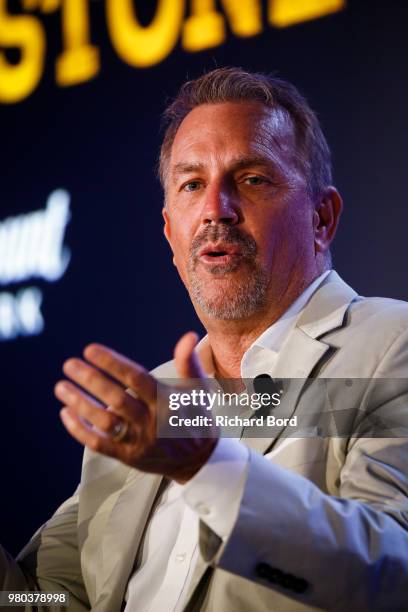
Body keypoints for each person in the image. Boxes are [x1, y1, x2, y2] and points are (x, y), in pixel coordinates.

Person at [1, 67, 408, 612]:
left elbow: (392, 570)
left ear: (321, 217)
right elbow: (50, 600)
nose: (217, 208)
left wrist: (206, 467)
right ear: (171, 233)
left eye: (252, 179)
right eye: (193, 184)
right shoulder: (148, 402)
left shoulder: (390, 345)